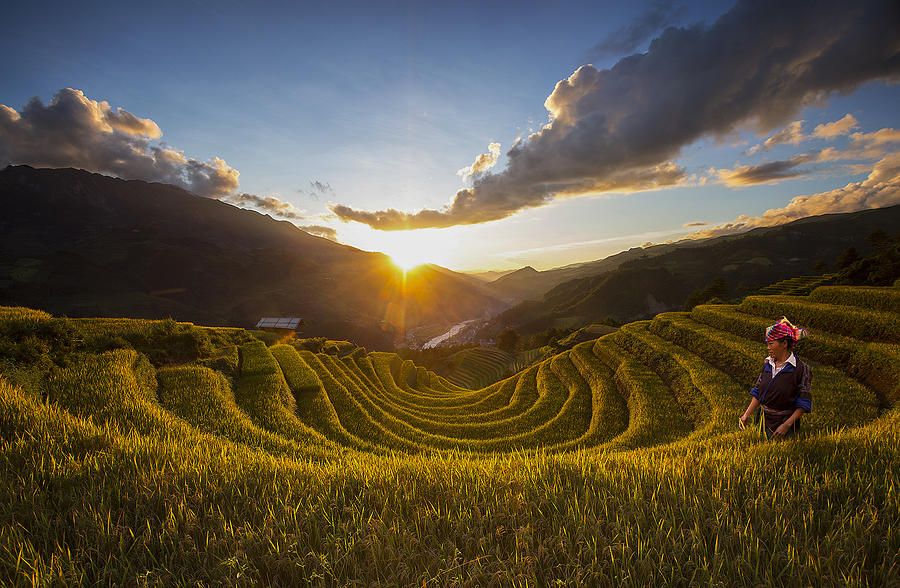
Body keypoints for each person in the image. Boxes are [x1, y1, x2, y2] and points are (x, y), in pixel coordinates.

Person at [739, 317, 812, 438]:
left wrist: (786, 425)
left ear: (784, 343)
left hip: (785, 423)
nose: (768, 347)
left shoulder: (801, 369)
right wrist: (746, 414)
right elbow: (758, 391)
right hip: (763, 420)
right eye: (767, 344)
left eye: (771, 344)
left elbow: (803, 402)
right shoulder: (767, 364)